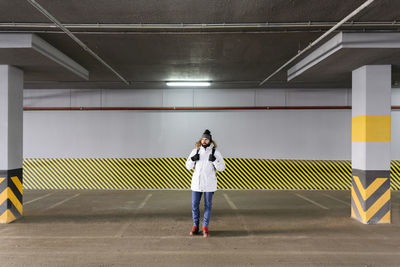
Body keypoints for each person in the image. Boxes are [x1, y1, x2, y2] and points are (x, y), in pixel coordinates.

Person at [185, 129, 225, 237]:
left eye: (206, 139)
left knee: (208, 206)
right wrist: (193, 159)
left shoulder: (215, 153)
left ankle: (205, 227)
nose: (204, 141)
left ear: (210, 141)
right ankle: (195, 226)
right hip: (196, 184)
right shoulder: (195, 151)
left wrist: (215, 160)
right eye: (202, 139)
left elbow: (222, 168)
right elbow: (188, 166)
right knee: (194, 205)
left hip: (209, 184)